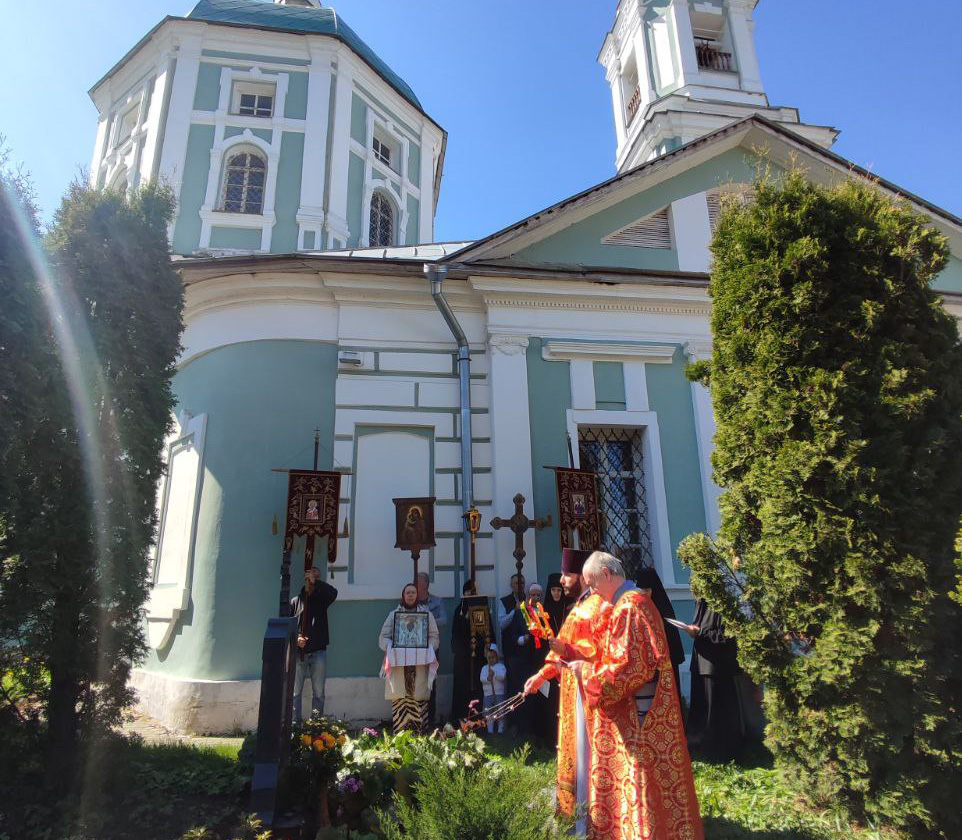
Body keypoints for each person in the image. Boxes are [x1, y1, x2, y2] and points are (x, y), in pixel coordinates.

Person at [581, 552, 703, 840]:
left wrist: (586, 674)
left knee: (642, 779)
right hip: (646, 707)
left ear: (606, 574)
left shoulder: (629, 607)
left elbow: (630, 668)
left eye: (592, 583)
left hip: (639, 713)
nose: (592, 591)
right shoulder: (638, 601)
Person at [523, 549, 610, 829]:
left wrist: (567, 651)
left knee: (586, 757)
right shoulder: (581, 607)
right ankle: (576, 814)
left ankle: (588, 818)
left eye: (566, 575)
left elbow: (600, 652)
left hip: (589, 696)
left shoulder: (596, 608)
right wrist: (541, 676)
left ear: (582, 577)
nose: (561, 580)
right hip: (574, 692)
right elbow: (562, 648)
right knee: (576, 755)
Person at [683, 597, 750, 762]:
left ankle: (721, 753)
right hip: (700, 662)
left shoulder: (720, 600)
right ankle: (702, 748)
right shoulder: (701, 601)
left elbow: (726, 635)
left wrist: (699, 632)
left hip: (717, 665)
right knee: (702, 710)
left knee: (718, 712)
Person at [378, 582, 440, 733]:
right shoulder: (394, 615)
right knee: (400, 699)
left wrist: (428, 647)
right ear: (403, 596)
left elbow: (434, 637)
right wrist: (391, 646)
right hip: (400, 667)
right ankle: (401, 734)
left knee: (419, 698)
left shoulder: (427, 615)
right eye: (408, 593)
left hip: (419, 665)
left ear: (417, 595)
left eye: (413, 592)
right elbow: (383, 637)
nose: (411, 595)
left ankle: (420, 735)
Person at [290, 565, 338, 723]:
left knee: (319, 693)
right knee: (295, 692)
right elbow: (288, 626)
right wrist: (297, 639)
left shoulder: (322, 599)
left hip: (318, 652)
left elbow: (333, 593)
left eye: (315, 574)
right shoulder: (295, 602)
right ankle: (295, 725)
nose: (312, 577)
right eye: (309, 575)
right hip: (299, 653)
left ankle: (316, 725)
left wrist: (316, 581)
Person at [635, 565, 686, 690]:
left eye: (647, 589)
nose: (644, 593)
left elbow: (670, 638)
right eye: (641, 589)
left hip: (666, 662)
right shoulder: (638, 606)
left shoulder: (663, 608)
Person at [450, 578, 488, 722]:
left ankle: (476, 719)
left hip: (478, 657)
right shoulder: (459, 610)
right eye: (468, 592)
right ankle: (460, 718)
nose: (471, 595)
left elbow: (486, 632)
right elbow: (456, 633)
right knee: (462, 688)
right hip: (463, 659)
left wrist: (485, 647)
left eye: (474, 592)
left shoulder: (480, 610)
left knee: (477, 686)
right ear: (464, 593)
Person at [416, 571, 447, 726]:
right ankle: (417, 718)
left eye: (419, 582)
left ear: (426, 584)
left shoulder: (437, 601)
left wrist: (427, 620)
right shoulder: (411, 600)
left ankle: (431, 718)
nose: (416, 585)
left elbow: (444, 620)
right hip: (415, 647)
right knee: (416, 681)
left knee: (430, 682)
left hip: (431, 648)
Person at [480, 643, 507, 734]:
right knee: (489, 713)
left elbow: (502, 677)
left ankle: (500, 730)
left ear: (497, 657)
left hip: (499, 694)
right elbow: (482, 679)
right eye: (489, 658)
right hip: (488, 695)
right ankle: (490, 731)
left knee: (500, 712)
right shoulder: (484, 668)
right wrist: (488, 678)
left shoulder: (501, 667)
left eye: (493, 657)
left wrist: (494, 674)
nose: (491, 659)